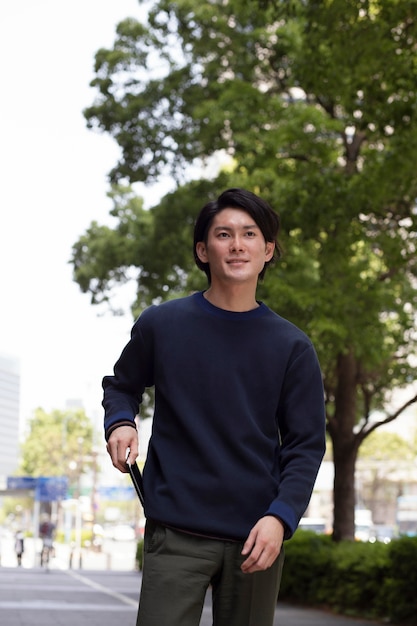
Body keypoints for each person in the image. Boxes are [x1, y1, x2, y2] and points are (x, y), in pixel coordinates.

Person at [103, 188, 326, 626]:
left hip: (256, 535)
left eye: (250, 234)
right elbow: (121, 385)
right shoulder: (162, 325)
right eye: (224, 234)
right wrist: (121, 423)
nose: (237, 244)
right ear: (203, 250)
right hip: (175, 531)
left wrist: (280, 519)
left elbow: (305, 446)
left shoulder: (292, 347)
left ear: (268, 250)